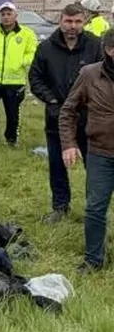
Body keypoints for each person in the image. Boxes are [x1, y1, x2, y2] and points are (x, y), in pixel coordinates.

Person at [29, 2, 102, 223]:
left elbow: (105, 75)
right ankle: (60, 207)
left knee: (95, 167)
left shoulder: (94, 45)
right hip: (57, 116)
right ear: (60, 20)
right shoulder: (46, 48)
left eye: (78, 21)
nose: (72, 26)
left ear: (85, 22)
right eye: (68, 21)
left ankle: (94, 209)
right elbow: (35, 78)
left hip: (89, 118)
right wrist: (51, 99)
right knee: (57, 165)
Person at [59, 30, 114, 272]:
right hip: (100, 152)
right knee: (95, 207)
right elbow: (68, 111)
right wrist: (69, 143)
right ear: (109, 51)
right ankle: (93, 260)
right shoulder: (90, 74)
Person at [0, 2, 38, 148]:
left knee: (12, 111)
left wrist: (22, 61)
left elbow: (32, 52)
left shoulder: (27, 34)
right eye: (3, 14)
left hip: (14, 79)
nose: (6, 17)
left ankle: (11, 138)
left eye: (9, 14)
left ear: (16, 16)